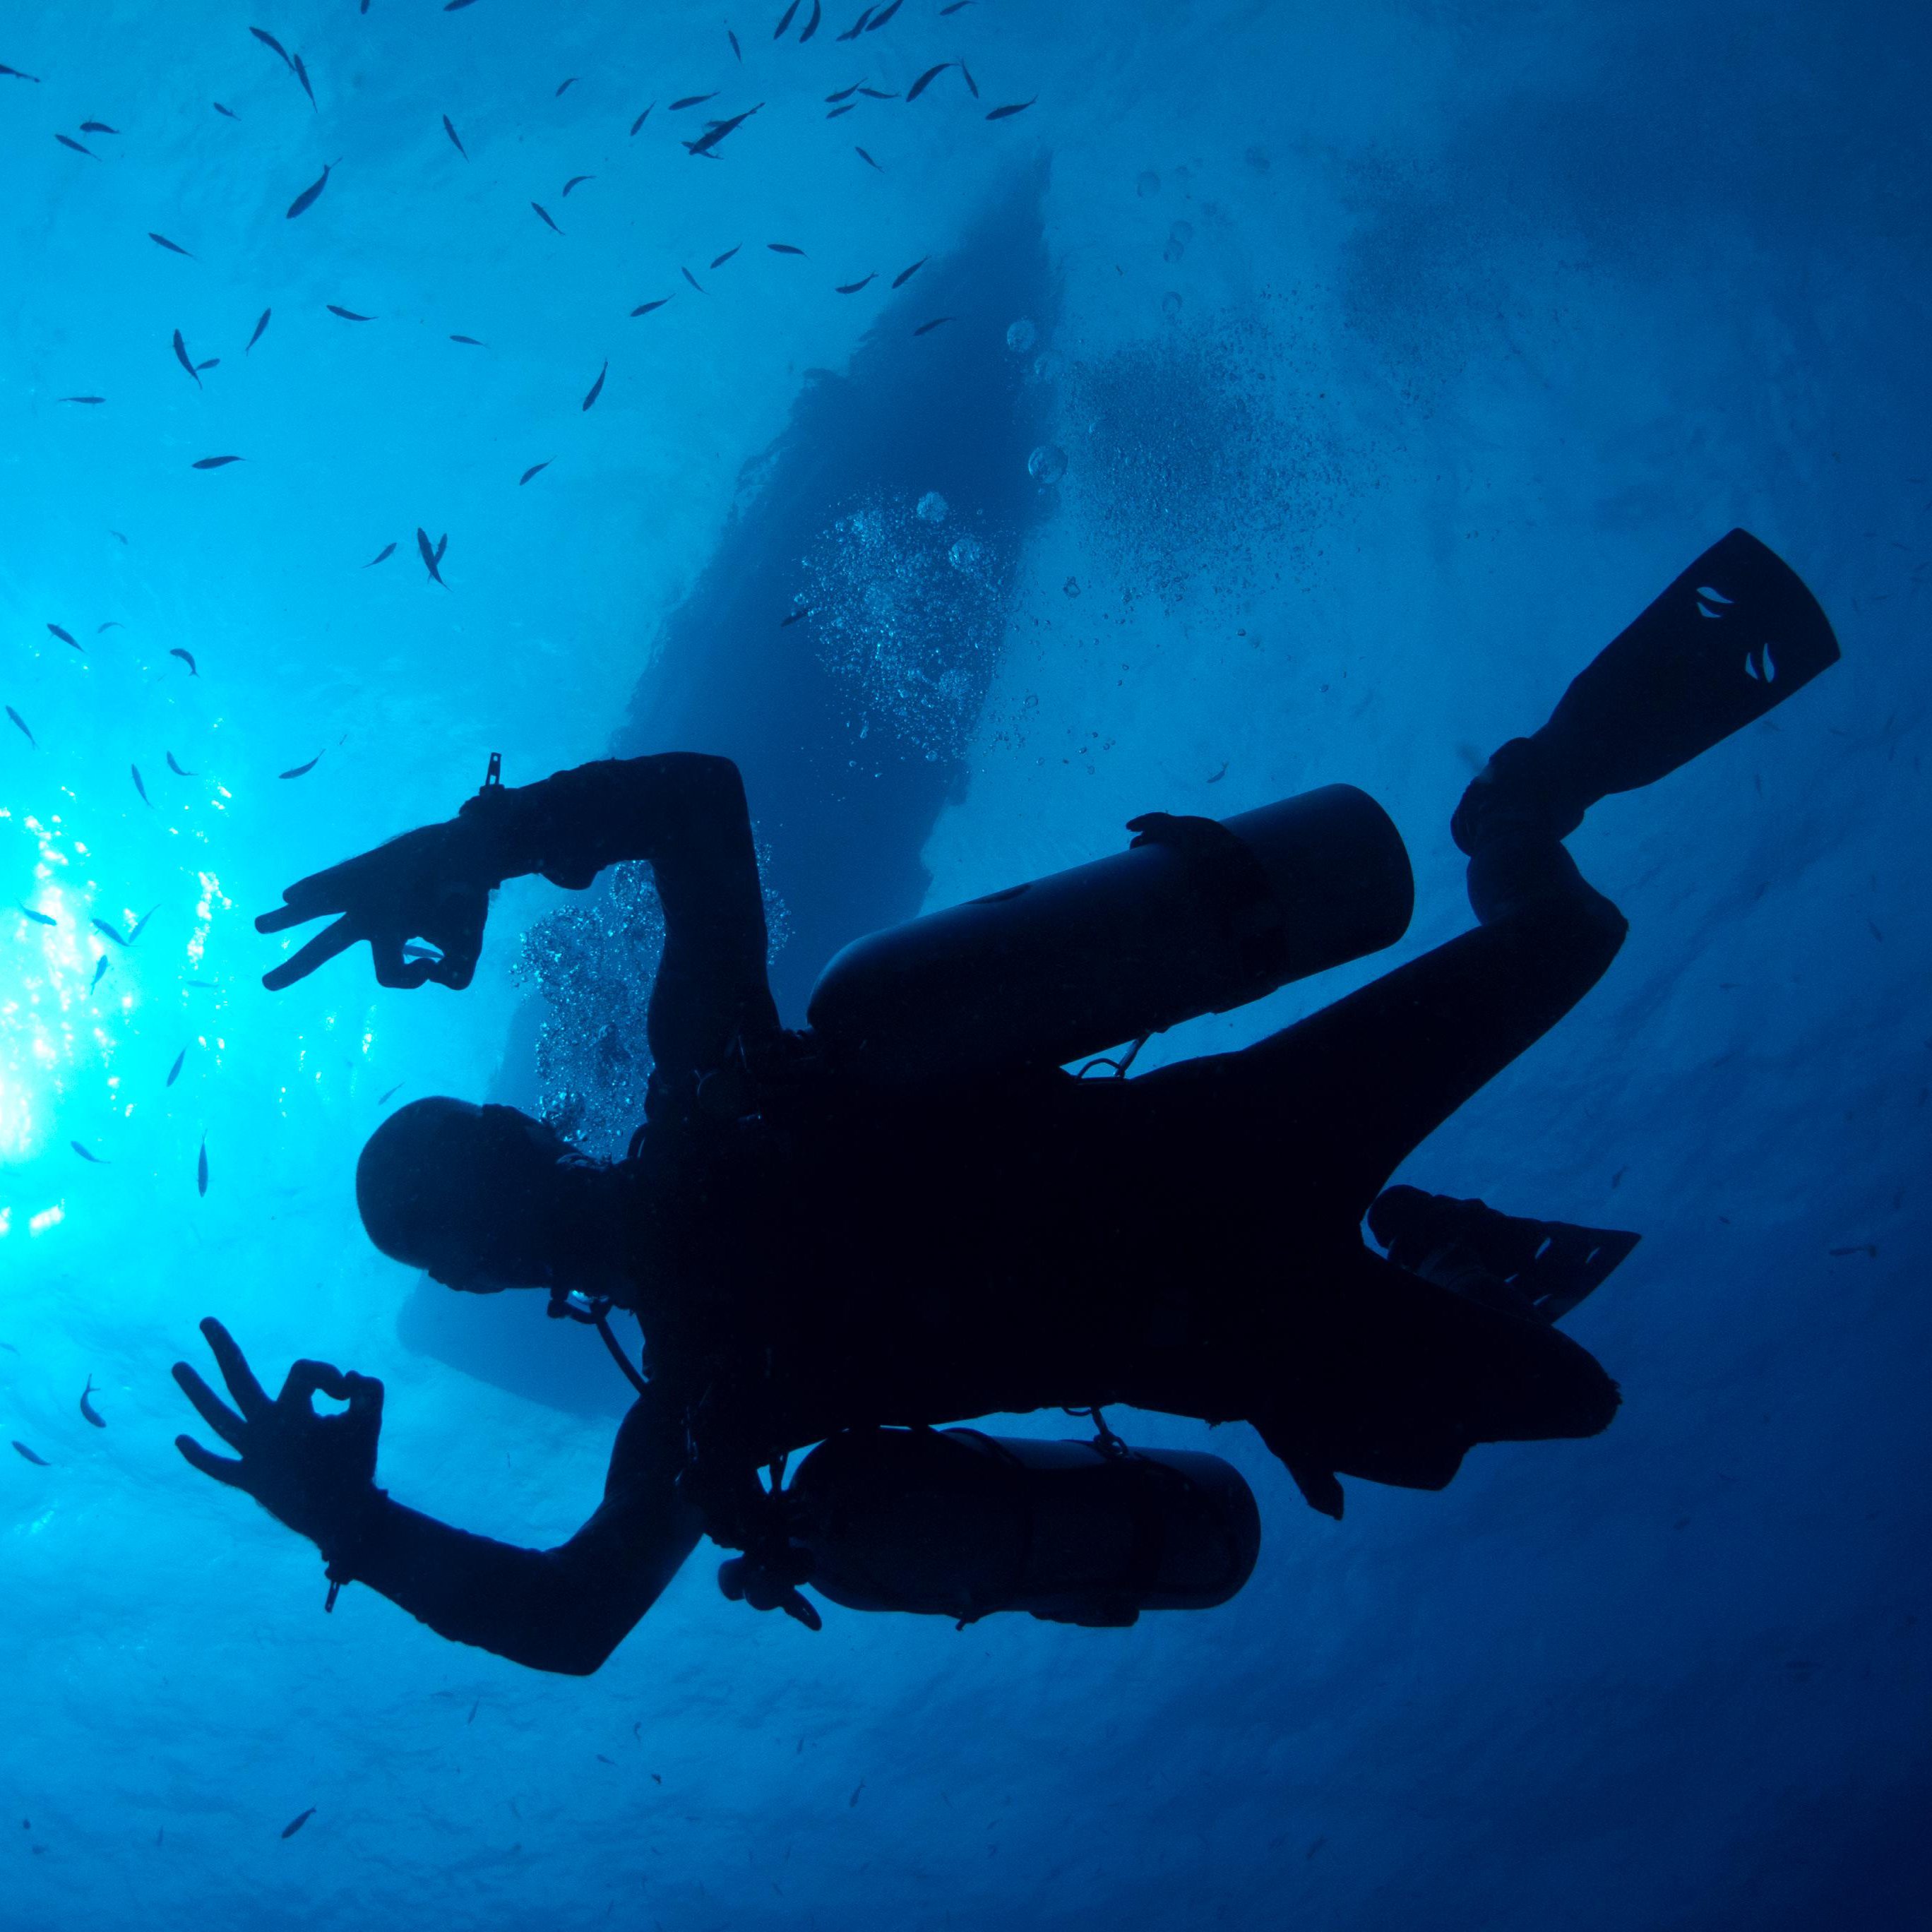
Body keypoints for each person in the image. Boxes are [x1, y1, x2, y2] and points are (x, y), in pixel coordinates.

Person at [173, 529, 1838, 1673]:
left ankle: (1521, 801)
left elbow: (695, 798)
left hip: (1251, 1132)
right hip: (1250, 1331)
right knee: (1578, 1400)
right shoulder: (705, 1408)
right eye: (451, 1225)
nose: (479, 1208)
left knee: (1570, 924)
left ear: (524, 1129)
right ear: (484, 1272)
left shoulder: (712, 1089)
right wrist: (355, 1523)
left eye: (459, 1162)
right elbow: (574, 1626)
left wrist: (468, 846)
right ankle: (1436, 1261)